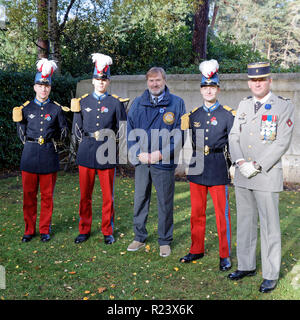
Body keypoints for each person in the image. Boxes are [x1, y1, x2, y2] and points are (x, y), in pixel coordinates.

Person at [228, 62, 294, 293]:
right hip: (243, 175)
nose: (257, 84)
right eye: (254, 80)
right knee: (245, 222)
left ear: (269, 81)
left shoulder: (283, 106)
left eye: (262, 80)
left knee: (269, 226)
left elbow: (282, 142)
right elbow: (234, 135)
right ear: (249, 82)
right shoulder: (244, 104)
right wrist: (239, 162)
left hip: (265, 174)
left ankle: (271, 273)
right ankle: (246, 265)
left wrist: (256, 165)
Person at [179, 60, 235, 271]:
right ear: (201, 90)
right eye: (205, 87)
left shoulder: (228, 115)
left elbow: (233, 143)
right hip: (197, 165)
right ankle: (196, 249)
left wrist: (233, 165)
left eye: (212, 87)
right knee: (196, 212)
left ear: (218, 89)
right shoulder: (193, 115)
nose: (209, 90)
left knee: (222, 214)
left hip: (218, 165)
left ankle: (224, 254)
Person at [126, 67, 186, 257]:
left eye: (158, 80)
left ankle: (165, 240)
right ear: (147, 82)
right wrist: (138, 154)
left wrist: (161, 154)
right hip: (143, 162)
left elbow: (179, 135)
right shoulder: (137, 103)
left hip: (163, 161)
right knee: (140, 199)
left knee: (165, 202)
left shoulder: (177, 103)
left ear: (164, 80)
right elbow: (130, 132)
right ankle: (139, 236)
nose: (155, 84)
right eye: (151, 80)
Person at [72, 53, 127, 245]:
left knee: (107, 196)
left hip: (107, 150)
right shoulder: (82, 102)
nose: (100, 82)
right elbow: (76, 129)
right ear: (93, 80)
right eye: (97, 79)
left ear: (108, 81)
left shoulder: (115, 103)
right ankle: (84, 229)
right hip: (86, 150)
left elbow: (122, 129)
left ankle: (107, 230)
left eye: (104, 79)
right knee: (85, 195)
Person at [13, 58, 68, 243]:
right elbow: (21, 133)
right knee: (28, 196)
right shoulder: (25, 108)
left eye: (47, 86)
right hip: (29, 155)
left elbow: (63, 132)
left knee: (47, 196)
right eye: (40, 85)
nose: (43, 89)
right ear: (34, 87)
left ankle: (45, 229)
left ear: (50, 88)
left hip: (48, 155)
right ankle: (29, 230)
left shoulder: (56, 109)